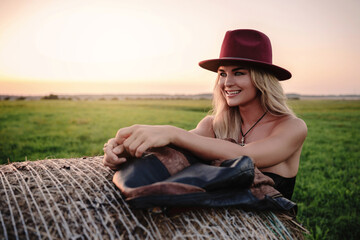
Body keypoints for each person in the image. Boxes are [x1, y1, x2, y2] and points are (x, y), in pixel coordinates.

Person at [103, 29, 307, 200]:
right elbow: (174, 148)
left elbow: (248, 157)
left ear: (261, 79)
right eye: (222, 73)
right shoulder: (212, 125)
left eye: (239, 73)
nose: (227, 83)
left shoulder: (291, 127)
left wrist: (174, 132)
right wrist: (123, 147)